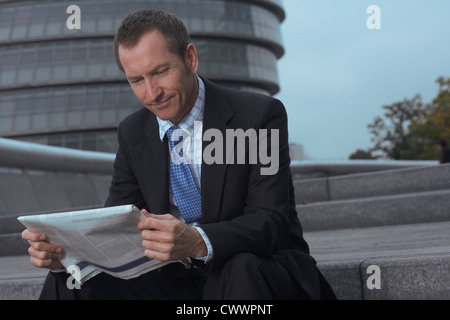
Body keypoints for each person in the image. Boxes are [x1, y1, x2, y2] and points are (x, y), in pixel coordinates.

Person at [22, 9, 336, 300]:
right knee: (72, 280)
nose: (151, 92)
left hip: (256, 270)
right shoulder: (133, 133)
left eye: (160, 72)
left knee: (239, 268)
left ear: (190, 58)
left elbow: (271, 221)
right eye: (137, 80)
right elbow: (118, 226)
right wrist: (67, 255)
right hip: (177, 278)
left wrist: (198, 240)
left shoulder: (256, 116)